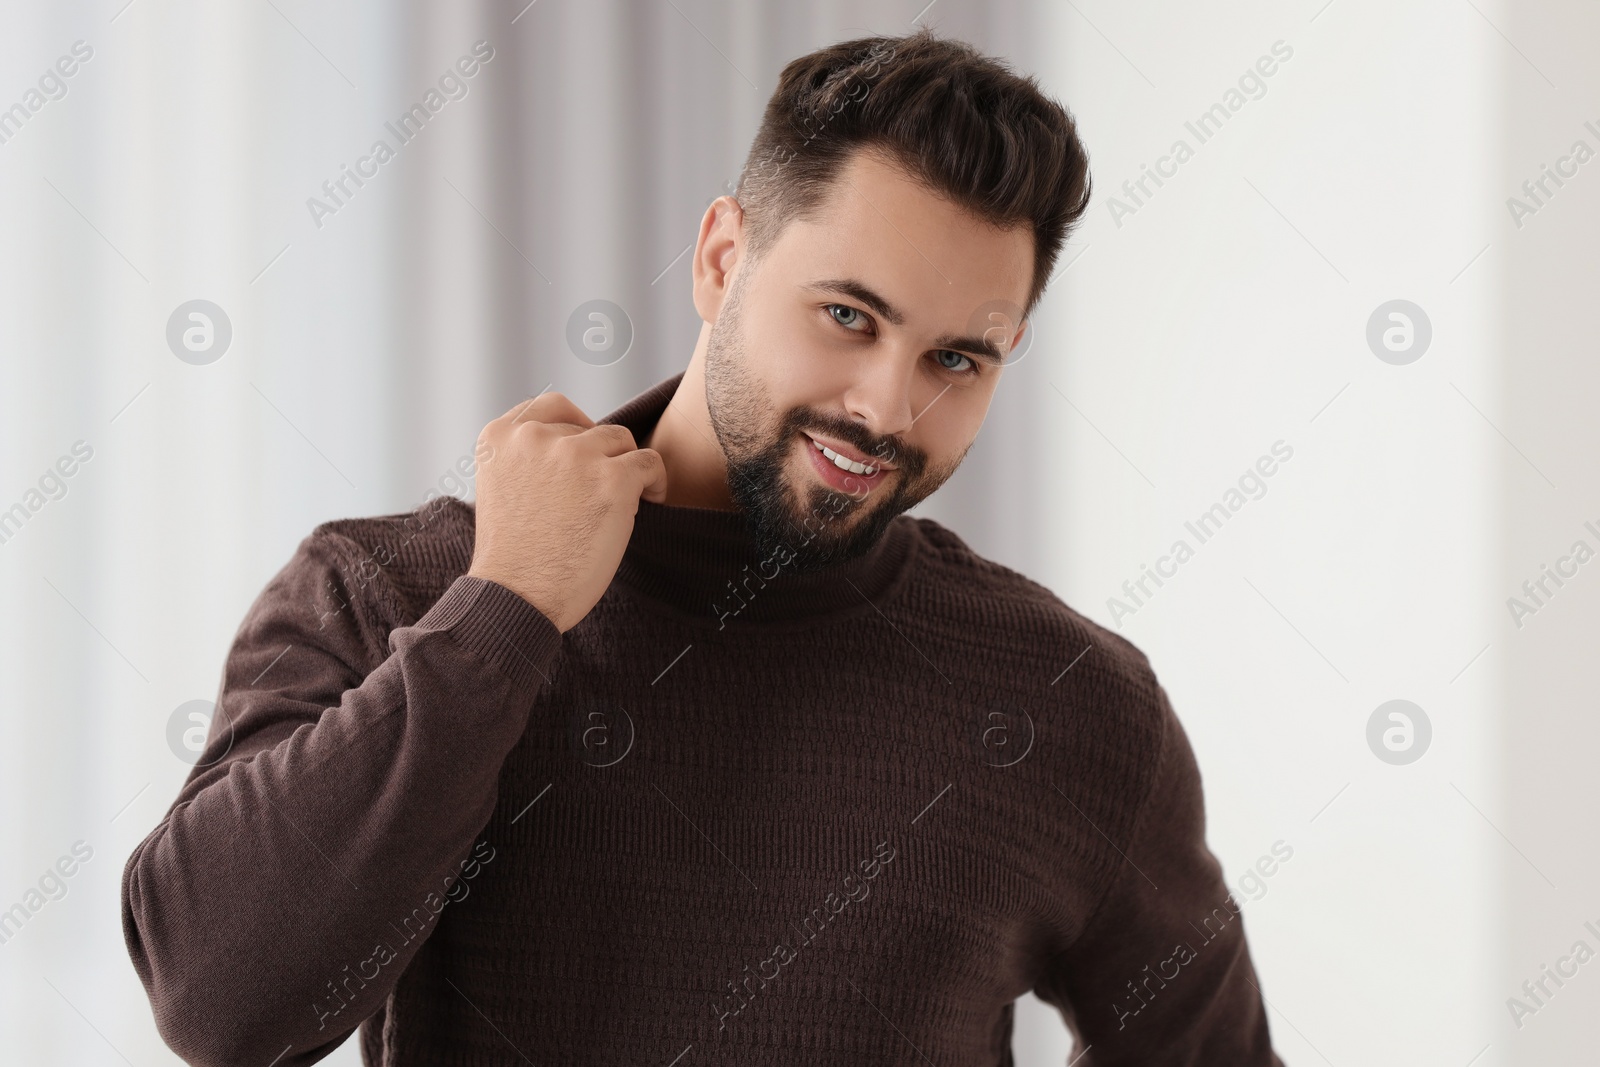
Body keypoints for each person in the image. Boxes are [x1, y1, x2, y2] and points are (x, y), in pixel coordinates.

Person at [121, 28, 1284, 1066]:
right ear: (723, 259)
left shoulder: (1071, 700)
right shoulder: (392, 592)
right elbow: (223, 1007)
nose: (886, 407)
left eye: (955, 359)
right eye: (847, 316)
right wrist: (507, 610)